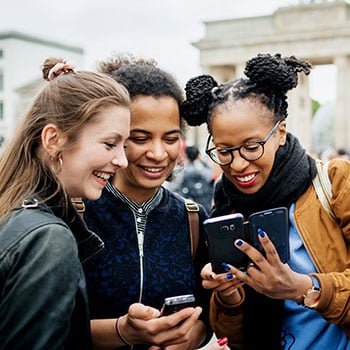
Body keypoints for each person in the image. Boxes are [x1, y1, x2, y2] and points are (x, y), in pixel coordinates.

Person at [182, 53, 350, 349]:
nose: (237, 165)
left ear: (280, 133)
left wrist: (303, 288)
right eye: (224, 151)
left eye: (251, 147)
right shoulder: (226, 208)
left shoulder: (335, 183)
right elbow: (232, 338)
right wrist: (228, 295)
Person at [82, 54, 212, 349]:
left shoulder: (193, 218)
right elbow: (46, 323)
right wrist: (121, 331)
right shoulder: (74, 214)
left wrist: (193, 336)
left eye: (170, 139)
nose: (158, 153)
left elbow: (208, 313)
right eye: (140, 138)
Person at [0, 58, 131, 349]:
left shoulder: (14, 210)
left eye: (125, 145)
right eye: (110, 144)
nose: (122, 160)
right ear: (53, 139)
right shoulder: (48, 238)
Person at [171, 144, 215, 213]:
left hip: (189, 210)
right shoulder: (204, 172)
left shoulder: (182, 172)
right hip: (206, 208)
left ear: (186, 155)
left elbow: (172, 187)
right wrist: (201, 160)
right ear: (198, 156)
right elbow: (212, 171)